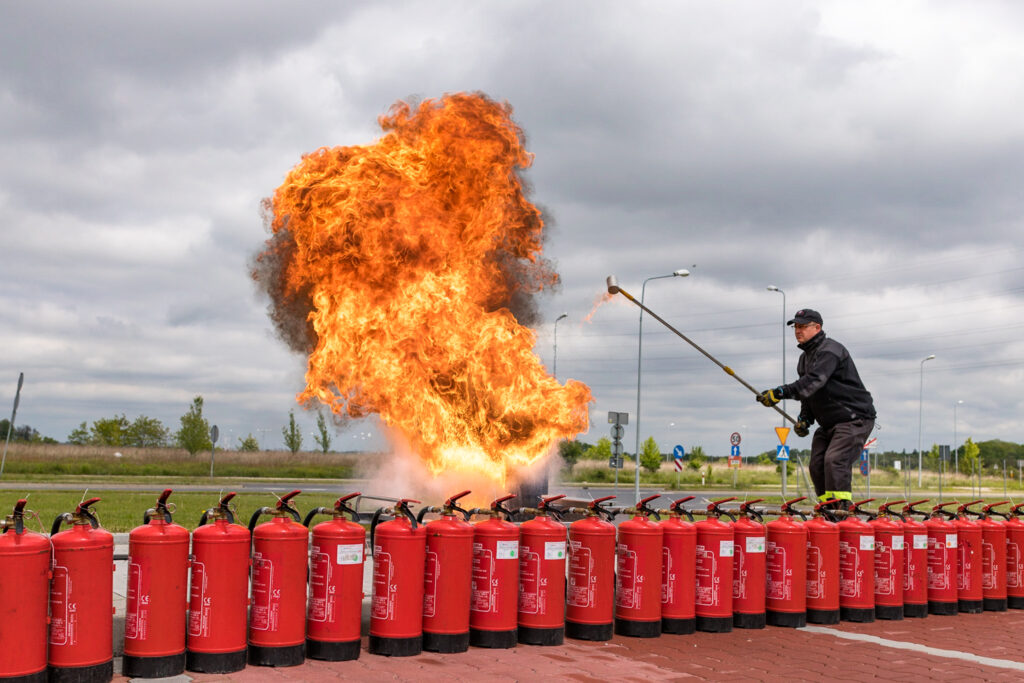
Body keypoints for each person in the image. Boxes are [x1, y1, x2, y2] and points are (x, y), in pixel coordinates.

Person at [757, 308, 875, 510]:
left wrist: (780, 392)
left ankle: (841, 510)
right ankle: (827, 508)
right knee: (817, 465)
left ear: (817, 327)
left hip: (854, 419)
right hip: (828, 423)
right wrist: (805, 418)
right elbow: (809, 393)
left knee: (834, 460)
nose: (797, 331)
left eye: (802, 326)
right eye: (796, 327)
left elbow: (813, 382)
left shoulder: (830, 351)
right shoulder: (804, 359)